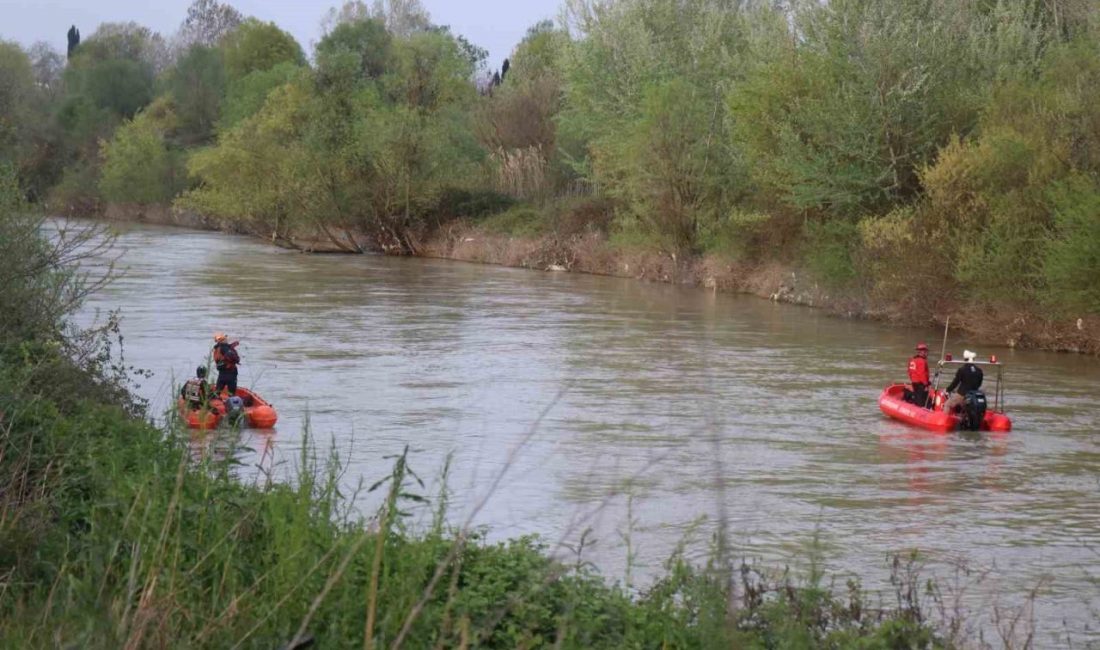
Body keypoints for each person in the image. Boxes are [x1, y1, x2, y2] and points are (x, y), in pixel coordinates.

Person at [907, 342, 931, 408]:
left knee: (917, 398)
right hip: (921, 384)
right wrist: (926, 384)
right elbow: (922, 374)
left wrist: (912, 380)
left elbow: (909, 371)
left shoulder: (912, 359)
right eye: (926, 351)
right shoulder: (922, 361)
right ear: (922, 352)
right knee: (922, 401)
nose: (927, 353)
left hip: (914, 382)